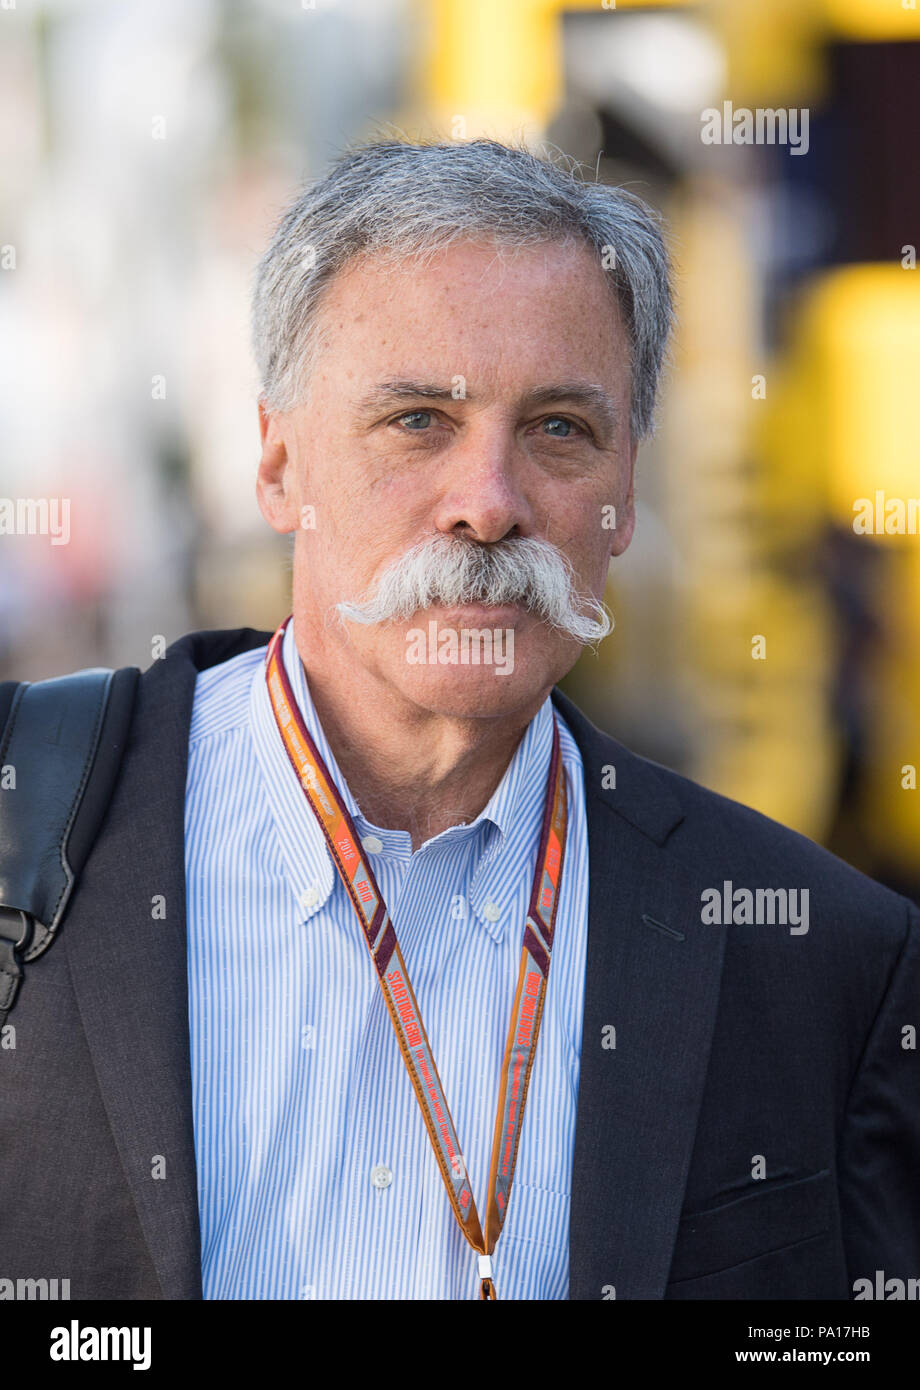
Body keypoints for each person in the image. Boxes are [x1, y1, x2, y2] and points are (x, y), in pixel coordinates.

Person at [2, 139, 918, 1301]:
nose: (487, 506)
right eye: (418, 420)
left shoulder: (820, 956)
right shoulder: (26, 829)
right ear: (278, 461)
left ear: (624, 492)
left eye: (556, 430)